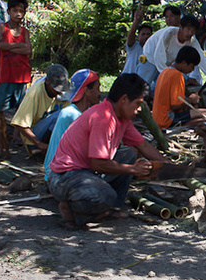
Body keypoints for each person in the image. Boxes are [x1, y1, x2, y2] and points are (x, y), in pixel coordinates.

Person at [48, 73, 169, 229]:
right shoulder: (103, 118)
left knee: (128, 155)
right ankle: (70, 210)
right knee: (105, 195)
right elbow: (98, 163)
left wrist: (168, 166)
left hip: (85, 172)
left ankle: (110, 208)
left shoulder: (122, 118)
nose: (139, 110)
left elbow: (143, 146)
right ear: (124, 99)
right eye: (137, 104)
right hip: (65, 176)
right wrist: (133, 169)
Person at [137, 15, 206, 93]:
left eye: (193, 31)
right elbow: (158, 56)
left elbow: (202, 59)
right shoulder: (168, 34)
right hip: (149, 58)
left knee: (160, 90)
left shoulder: (192, 41)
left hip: (166, 65)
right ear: (181, 27)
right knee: (141, 88)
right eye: (188, 29)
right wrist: (169, 75)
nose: (190, 33)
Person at [44, 69, 100, 183]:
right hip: (59, 175)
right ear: (86, 91)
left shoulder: (84, 112)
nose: (99, 94)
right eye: (97, 88)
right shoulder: (71, 115)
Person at [10, 64, 71, 154]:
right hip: (35, 138)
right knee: (61, 114)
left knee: (69, 114)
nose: (59, 92)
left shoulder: (65, 91)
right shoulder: (36, 91)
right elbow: (20, 124)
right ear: (47, 81)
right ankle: (45, 149)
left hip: (50, 130)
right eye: (56, 89)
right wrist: (39, 144)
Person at [151, 46, 206, 129]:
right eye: (192, 66)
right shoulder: (177, 75)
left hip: (158, 119)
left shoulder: (165, 71)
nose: (192, 70)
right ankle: (180, 128)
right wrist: (191, 100)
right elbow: (175, 105)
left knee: (201, 113)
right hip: (167, 119)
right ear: (184, 62)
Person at [0, 0, 32, 114]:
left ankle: (16, 133)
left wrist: (8, 47)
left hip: (22, 76)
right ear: (9, 11)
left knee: (20, 108)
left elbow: (28, 50)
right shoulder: (2, 28)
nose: (18, 14)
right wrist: (17, 45)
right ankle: (1, 132)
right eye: (15, 10)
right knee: (0, 108)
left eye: (21, 11)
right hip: (7, 75)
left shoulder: (25, 32)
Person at [122, 7, 153, 75]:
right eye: (143, 34)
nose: (146, 36)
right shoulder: (134, 47)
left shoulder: (153, 51)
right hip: (126, 80)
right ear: (138, 36)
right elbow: (131, 33)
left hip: (140, 83)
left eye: (148, 34)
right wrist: (136, 20)